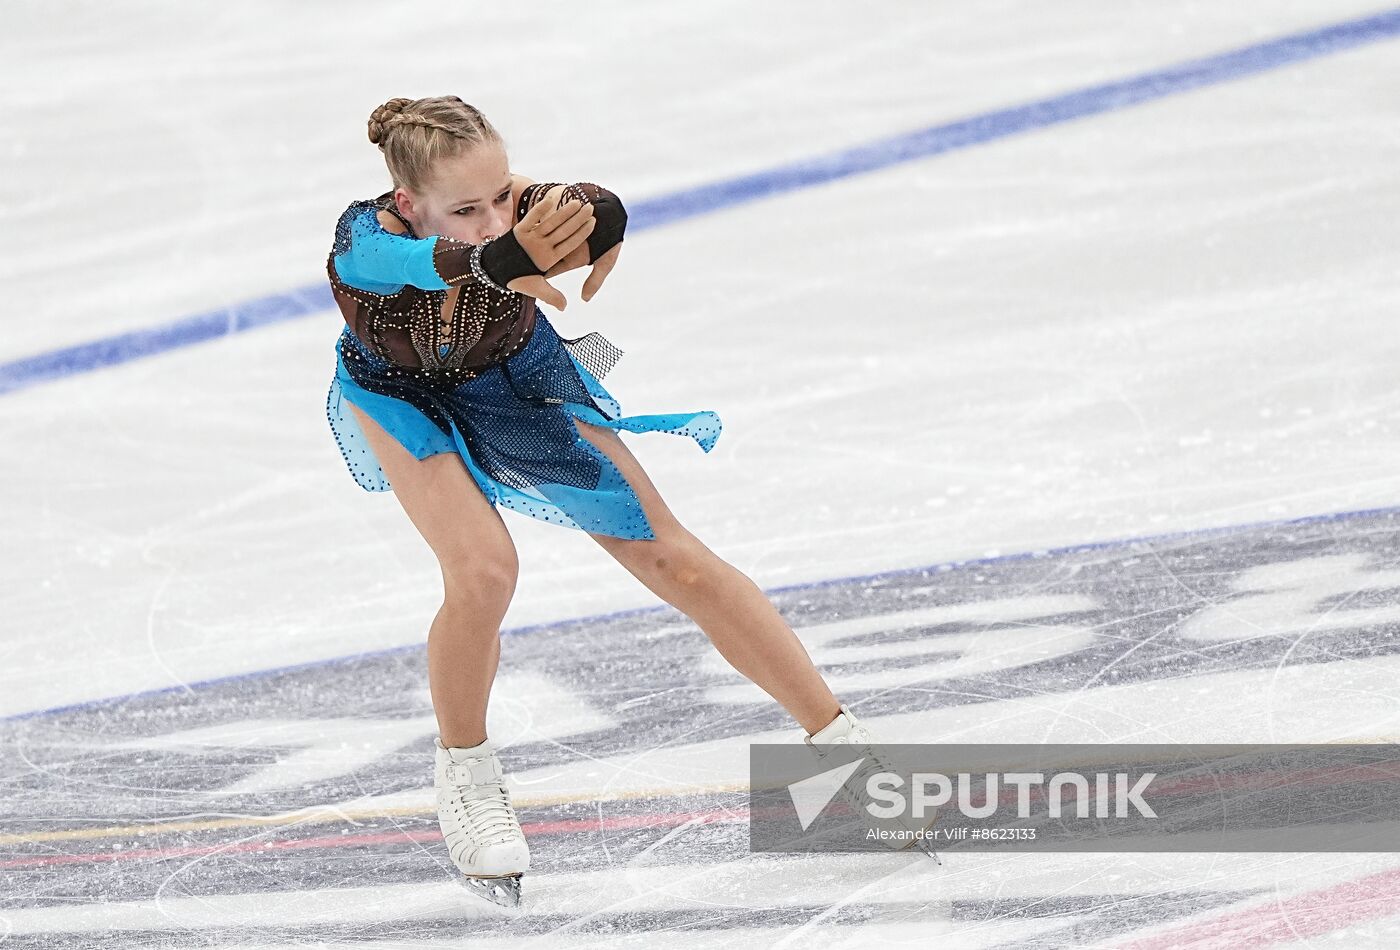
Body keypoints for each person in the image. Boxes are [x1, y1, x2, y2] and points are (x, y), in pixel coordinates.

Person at [324, 95, 917, 908]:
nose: (495, 218)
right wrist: (498, 257)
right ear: (407, 204)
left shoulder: (510, 206)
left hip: (516, 380)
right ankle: (465, 772)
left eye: (502, 195)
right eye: (466, 208)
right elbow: (429, 268)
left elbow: (580, 202)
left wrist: (604, 217)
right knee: (485, 572)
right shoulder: (364, 243)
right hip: (400, 399)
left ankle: (846, 756)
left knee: (676, 558)